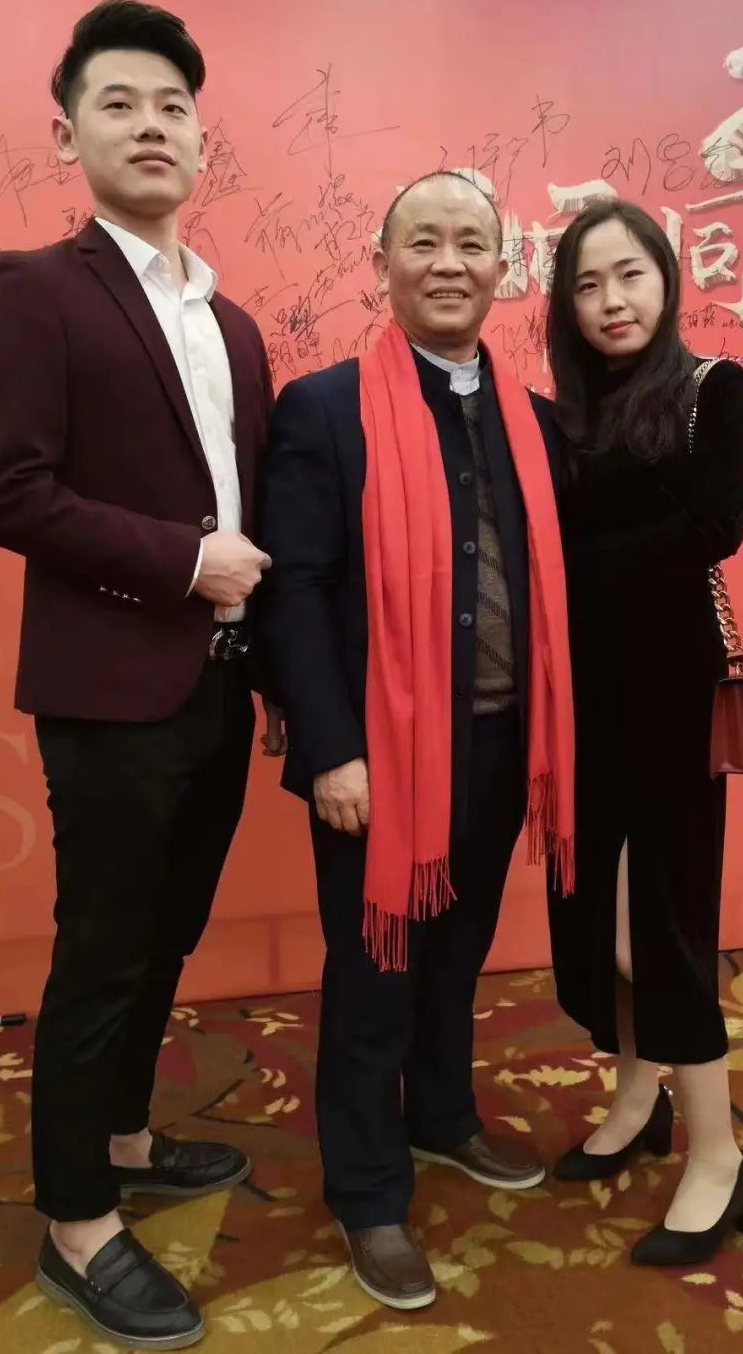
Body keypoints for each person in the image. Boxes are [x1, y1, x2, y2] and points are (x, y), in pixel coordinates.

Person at [0, 0, 279, 1349]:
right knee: (102, 947)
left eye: (172, 107)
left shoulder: (234, 322)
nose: (152, 126)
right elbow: (1, 487)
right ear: (67, 134)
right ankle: (77, 1219)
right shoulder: (39, 289)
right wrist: (185, 560)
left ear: (202, 138)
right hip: (108, 690)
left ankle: (129, 1138)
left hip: (220, 685)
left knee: (168, 930)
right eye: (119, 103)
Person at [259, 171, 575, 1310]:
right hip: (380, 757)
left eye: (472, 243)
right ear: (384, 263)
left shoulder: (535, 422)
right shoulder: (325, 409)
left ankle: (442, 1116)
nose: (450, 263)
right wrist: (332, 748)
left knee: (457, 955)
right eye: (425, 242)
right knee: (374, 972)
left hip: (501, 744)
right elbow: (293, 590)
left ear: (504, 267)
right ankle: (368, 1191)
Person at [544, 199, 743, 1266]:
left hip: (669, 692)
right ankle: (639, 1101)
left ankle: (721, 1155)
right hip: (581, 694)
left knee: (658, 926)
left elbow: (713, 525)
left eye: (628, 275)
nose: (611, 300)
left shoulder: (714, 388)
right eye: (587, 284)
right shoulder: (565, 411)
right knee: (596, 916)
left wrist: (573, 570)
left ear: (666, 280)